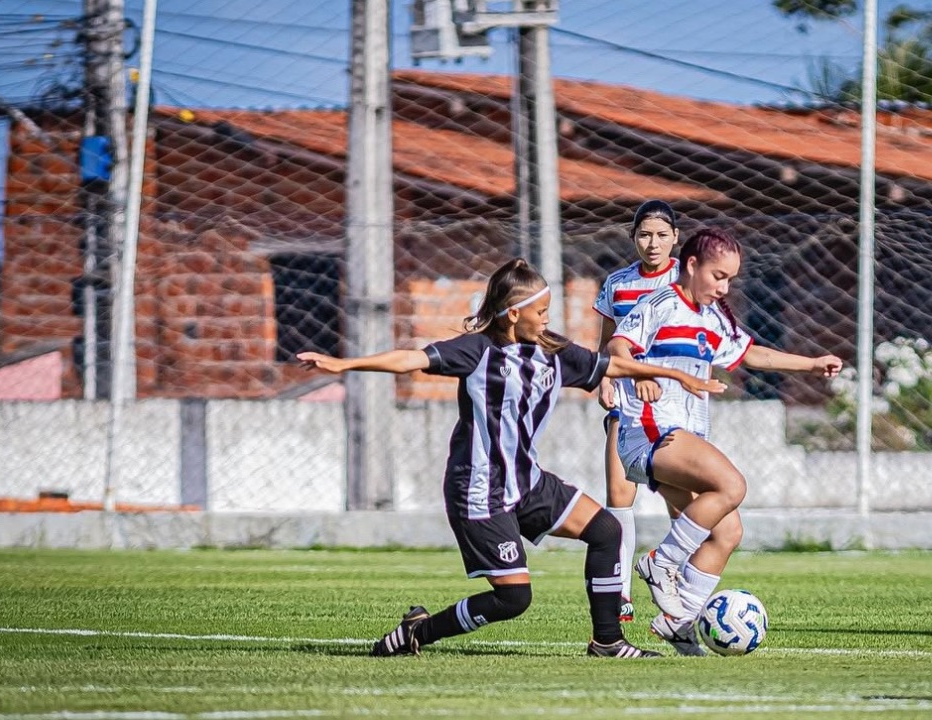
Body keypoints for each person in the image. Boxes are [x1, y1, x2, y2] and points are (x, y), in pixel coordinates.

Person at [298, 258, 725, 659]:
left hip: (528, 482)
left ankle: (608, 641)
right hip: (479, 489)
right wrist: (344, 364)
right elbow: (410, 359)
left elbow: (611, 366)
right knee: (514, 598)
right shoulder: (477, 351)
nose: (547, 317)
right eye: (541, 310)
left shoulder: (552, 351)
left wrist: (672, 374)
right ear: (514, 313)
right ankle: (417, 632)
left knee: (605, 530)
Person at [606, 227, 842, 654]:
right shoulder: (659, 304)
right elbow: (617, 347)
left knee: (727, 532)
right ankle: (661, 563)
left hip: (682, 440)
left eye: (731, 279)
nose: (724, 286)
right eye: (718, 275)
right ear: (691, 265)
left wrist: (810, 364)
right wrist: (642, 377)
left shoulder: (714, 319)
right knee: (732, 486)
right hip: (649, 433)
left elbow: (752, 354)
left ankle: (679, 621)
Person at [593, 199, 682, 623]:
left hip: (675, 406)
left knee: (680, 498)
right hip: (627, 406)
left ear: (676, 239)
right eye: (645, 234)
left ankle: (675, 577)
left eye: (662, 235)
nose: (653, 243)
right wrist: (605, 380)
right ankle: (621, 593)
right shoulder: (617, 284)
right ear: (633, 238)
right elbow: (606, 342)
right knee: (618, 494)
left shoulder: (686, 279)